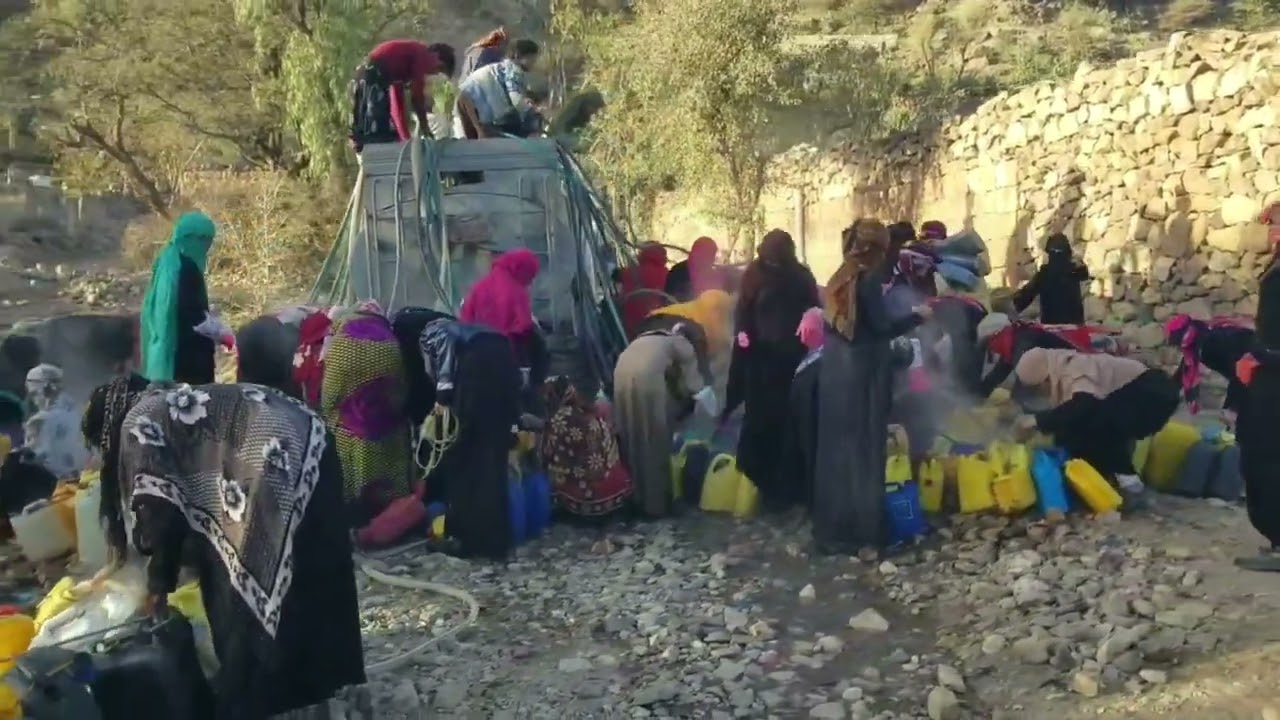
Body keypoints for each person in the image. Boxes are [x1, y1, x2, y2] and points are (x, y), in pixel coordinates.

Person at [82, 376, 366, 718]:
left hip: (272, 457)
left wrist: (159, 583)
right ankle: (324, 685)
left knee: (240, 587)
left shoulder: (134, 422)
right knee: (312, 571)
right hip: (312, 440)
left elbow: (157, 511)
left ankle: (263, 696)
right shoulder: (163, 398)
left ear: (105, 430)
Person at [810, 220, 928, 557]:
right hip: (861, 375)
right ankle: (864, 534)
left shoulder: (842, 273)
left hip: (835, 373)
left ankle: (831, 532)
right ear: (876, 248)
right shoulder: (869, 277)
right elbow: (878, 327)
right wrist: (917, 317)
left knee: (836, 452)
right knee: (863, 450)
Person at [721, 229, 820, 511]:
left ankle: (789, 490)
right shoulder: (755, 275)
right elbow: (744, 317)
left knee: (787, 427)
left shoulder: (799, 276)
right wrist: (743, 339)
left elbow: (814, 313)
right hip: (763, 363)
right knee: (766, 427)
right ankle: (769, 490)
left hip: (791, 363)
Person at [1013, 348, 1178, 507]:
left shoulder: (1075, 367)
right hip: (1133, 396)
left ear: (1046, 377)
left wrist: (1037, 421)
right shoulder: (1063, 371)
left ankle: (1132, 488)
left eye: (1040, 385)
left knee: (1097, 426)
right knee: (1075, 432)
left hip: (1151, 393)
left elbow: (1083, 405)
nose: (1043, 391)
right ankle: (1100, 484)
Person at [418, 316, 523, 560]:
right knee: (494, 463)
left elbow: (439, 373)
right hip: (503, 368)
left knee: (465, 462)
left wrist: (441, 404)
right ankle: (497, 542)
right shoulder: (469, 329)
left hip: (477, 378)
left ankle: (469, 540)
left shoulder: (430, 332)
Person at [320, 302, 412, 525]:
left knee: (351, 465)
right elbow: (399, 388)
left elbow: (330, 392)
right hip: (385, 422)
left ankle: (355, 512)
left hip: (351, 427)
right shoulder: (390, 342)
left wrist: (329, 412)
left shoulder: (342, 340)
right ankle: (390, 511)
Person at [613, 323, 717, 518]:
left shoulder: (650, 337)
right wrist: (716, 414)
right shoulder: (683, 344)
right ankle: (655, 506)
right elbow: (697, 388)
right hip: (646, 377)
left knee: (630, 434)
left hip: (621, 371)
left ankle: (631, 497)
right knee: (655, 438)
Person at [1232, 202, 1280, 571]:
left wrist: (1264, 359)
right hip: (1268, 375)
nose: (1273, 231)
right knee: (1258, 451)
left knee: (1270, 455)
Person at [140, 211, 218, 385]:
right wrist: (218, 332)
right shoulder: (187, 268)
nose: (207, 247)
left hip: (161, 350)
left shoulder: (166, 260)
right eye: (206, 241)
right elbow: (191, 315)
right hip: (185, 359)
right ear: (193, 238)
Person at [538, 375, 632, 521]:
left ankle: (567, 505)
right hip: (616, 483)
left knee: (553, 465)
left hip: (590, 490)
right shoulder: (589, 409)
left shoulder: (560, 418)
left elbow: (548, 452)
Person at [459, 248, 548, 390]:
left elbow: (465, 321)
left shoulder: (478, 287)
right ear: (523, 270)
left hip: (476, 356)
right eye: (530, 276)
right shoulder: (517, 291)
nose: (530, 282)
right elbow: (524, 326)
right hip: (506, 357)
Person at [350, 40, 455, 150]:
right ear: (439, 62)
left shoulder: (400, 67)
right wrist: (425, 129)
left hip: (370, 75)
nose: (430, 74)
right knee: (374, 130)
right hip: (373, 74)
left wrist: (405, 139)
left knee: (380, 128)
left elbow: (397, 106)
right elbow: (417, 98)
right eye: (436, 71)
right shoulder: (423, 55)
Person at [973, 312, 1096, 398]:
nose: (989, 348)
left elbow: (1025, 383)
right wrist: (980, 393)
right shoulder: (1015, 337)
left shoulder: (1023, 342)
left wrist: (1014, 409)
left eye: (988, 343)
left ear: (997, 335)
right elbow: (1000, 371)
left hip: (1084, 361)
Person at [1164, 313, 1254, 418]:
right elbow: (1182, 373)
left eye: (1177, 342)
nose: (1177, 348)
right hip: (1247, 373)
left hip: (1260, 368)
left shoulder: (1212, 343)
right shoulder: (1198, 343)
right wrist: (1164, 393)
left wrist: (1231, 407)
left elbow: (1239, 371)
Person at [455, 39, 541, 139]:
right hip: (475, 105)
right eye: (532, 59)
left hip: (465, 102)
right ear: (518, 56)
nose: (534, 63)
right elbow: (516, 99)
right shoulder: (513, 70)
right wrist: (532, 111)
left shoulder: (502, 68)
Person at [22, 364, 89, 479]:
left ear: (47, 390)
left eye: (34, 394)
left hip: (52, 486)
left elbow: (30, 460)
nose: (34, 401)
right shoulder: (84, 411)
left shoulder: (39, 421)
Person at [1012, 233, 1090, 325]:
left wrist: (1008, 307)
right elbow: (1084, 273)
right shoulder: (1076, 271)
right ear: (1068, 253)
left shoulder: (1044, 273)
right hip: (1075, 328)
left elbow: (1024, 297)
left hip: (1051, 329)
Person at [619, 243, 671, 336]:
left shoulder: (631, 271)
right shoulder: (666, 274)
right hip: (656, 324)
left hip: (631, 326)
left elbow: (616, 276)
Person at [664, 236, 722, 302]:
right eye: (709, 255)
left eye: (712, 255)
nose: (712, 260)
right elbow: (669, 299)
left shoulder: (712, 275)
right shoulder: (677, 272)